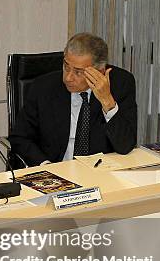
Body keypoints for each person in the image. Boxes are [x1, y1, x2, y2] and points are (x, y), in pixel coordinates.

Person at [9, 32, 137, 166]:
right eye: (66, 66)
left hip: (99, 173)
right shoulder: (43, 87)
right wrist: (46, 166)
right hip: (54, 170)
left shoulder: (120, 84)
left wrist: (107, 101)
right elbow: (20, 138)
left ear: (99, 72)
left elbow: (125, 146)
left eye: (78, 72)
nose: (68, 77)